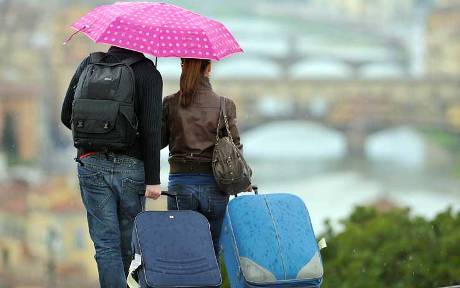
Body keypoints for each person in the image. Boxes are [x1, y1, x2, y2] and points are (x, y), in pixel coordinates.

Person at [61, 46, 162, 288]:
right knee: (128, 244)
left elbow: (67, 115)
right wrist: (153, 178)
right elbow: (151, 131)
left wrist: (96, 135)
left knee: (105, 244)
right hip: (132, 167)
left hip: (91, 162)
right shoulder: (148, 73)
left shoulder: (89, 64)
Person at [161, 58, 245, 258]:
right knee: (212, 247)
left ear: (183, 66)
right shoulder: (225, 105)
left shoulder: (170, 103)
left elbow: (160, 143)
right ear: (209, 68)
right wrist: (244, 182)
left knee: (180, 248)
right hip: (214, 185)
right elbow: (235, 147)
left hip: (180, 183)